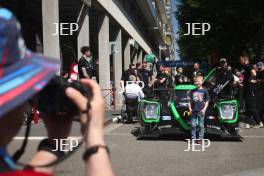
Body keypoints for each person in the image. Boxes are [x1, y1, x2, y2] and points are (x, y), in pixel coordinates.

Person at [0, 8, 114, 176]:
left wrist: (55, 140)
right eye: (24, 90)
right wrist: (93, 136)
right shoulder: (81, 61)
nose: (27, 101)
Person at [188, 75, 210, 143]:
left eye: (199, 81)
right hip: (194, 111)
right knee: (193, 125)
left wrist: (204, 109)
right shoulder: (192, 91)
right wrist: (190, 109)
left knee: (201, 125)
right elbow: (189, 101)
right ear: (194, 82)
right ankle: (193, 138)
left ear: (202, 82)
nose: (197, 82)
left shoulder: (205, 91)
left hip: (201, 111)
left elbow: (207, 101)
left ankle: (200, 139)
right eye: (196, 81)